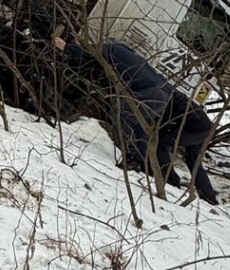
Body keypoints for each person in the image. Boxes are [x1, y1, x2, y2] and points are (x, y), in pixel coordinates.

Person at [53, 36, 219, 205]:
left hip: (160, 99)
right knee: (191, 159)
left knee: (130, 117)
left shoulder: (108, 50)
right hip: (195, 118)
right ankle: (209, 196)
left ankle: (144, 164)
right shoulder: (124, 50)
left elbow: (87, 56)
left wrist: (65, 46)